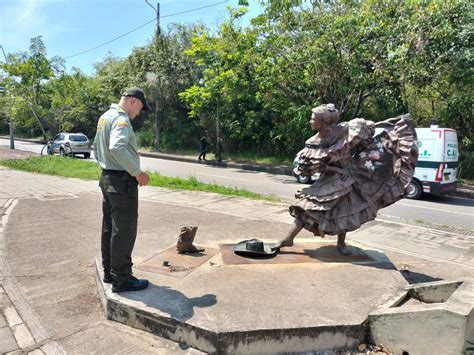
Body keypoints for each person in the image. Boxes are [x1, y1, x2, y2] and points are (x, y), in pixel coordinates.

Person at [273, 104, 418, 255]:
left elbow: (363, 139)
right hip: (332, 178)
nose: (310, 121)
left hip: (354, 173)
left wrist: (366, 151)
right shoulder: (313, 142)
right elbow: (318, 167)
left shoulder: (345, 129)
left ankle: (341, 243)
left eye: (313, 118)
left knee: (348, 208)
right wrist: (337, 169)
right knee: (306, 206)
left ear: (323, 121)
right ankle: (288, 239)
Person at [93, 87, 151, 293]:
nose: (139, 113)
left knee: (109, 227)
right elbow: (116, 147)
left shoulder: (105, 117)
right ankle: (123, 279)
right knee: (124, 230)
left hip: (107, 178)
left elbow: (96, 147)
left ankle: (110, 272)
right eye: (141, 108)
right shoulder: (121, 119)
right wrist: (137, 173)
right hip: (121, 181)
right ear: (134, 101)